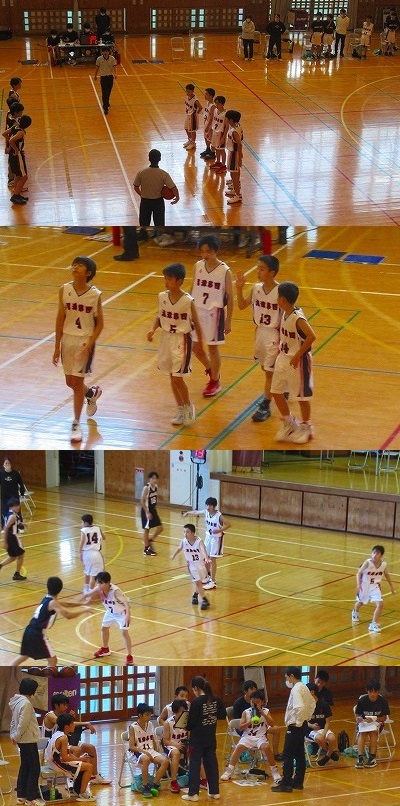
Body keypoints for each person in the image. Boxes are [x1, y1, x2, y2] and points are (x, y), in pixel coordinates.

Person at [52, 256, 104, 444]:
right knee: (71, 382)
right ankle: (91, 394)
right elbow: (60, 318)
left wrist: (90, 344)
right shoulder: (64, 289)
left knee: (77, 382)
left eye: (80, 265)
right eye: (74, 264)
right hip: (67, 339)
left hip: (84, 342)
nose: (75, 267)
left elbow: (100, 324)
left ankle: (76, 423)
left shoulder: (95, 294)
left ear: (88, 273)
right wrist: (56, 346)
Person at [147, 263, 203, 426]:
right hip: (166, 339)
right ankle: (180, 408)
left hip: (182, 340)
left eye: (169, 279)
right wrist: (152, 329)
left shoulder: (188, 301)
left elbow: (197, 323)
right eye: (165, 278)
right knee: (172, 376)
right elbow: (159, 316)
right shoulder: (162, 297)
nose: (166, 282)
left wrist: (199, 343)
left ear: (179, 281)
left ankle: (188, 406)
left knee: (178, 378)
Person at [236, 254, 281, 422]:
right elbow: (242, 305)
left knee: (269, 372)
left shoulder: (281, 291)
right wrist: (239, 289)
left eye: (262, 269)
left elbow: (288, 315)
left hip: (275, 334)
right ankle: (283, 384)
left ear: (272, 272)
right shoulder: (256, 289)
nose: (258, 272)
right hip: (260, 333)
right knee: (265, 369)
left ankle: (266, 405)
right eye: (258, 269)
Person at [270, 281, 316, 443]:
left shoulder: (297, 318)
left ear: (282, 299)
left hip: (298, 361)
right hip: (283, 358)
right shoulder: (285, 313)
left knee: (302, 397)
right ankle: (289, 423)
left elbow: (312, 336)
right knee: (276, 391)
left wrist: (297, 355)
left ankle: (307, 427)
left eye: (278, 297)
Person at [12, 576, 92, 666]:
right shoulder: (53, 602)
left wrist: (82, 603)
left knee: (23, 656)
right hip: (38, 633)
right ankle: (48, 676)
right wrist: (84, 610)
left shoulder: (47, 599)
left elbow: (66, 604)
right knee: (53, 661)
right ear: (60, 589)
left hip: (29, 630)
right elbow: (68, 615)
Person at [189, 234, 233, 396]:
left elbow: (231, 298)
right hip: (197, 310)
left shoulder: (224, 271)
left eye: (208, 251)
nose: (205, 255)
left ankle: (215, 381)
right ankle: (211, 370)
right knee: (195, 347)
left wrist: (228, 321)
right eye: (202, 251)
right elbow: (192, 288)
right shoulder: (198, 266)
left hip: (214, 313)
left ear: (215, 251)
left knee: (212, 349)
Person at [42, 694, 111, 785]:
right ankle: (72, 777)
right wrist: (85, 723)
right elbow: (63, 722)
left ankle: (95, 776)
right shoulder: (49, 716)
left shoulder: (64, 716)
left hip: (65, 741)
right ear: (56, 705)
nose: (66, 707)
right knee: (77, 750)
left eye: (67, 704)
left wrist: (71, 719)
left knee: (91, 748)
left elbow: (70, 726)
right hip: (54, 746)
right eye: (64, 704)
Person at [221, 689, 282, 783]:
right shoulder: (246, 712)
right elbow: (240, 727)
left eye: (257, 702)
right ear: (250, 701)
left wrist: (263, 714)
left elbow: (272, 724)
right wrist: (249, 722)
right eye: (253, 702)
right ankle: (228, 771)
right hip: (248, 737)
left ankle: (275, 772)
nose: (255, 704)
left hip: (261, 737)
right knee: (238, 747)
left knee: (266, 748)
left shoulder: (266, 711)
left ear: (262, 702)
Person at [270, 666, 315, 793]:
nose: (286, 680)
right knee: (299, 754)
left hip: (295, 726)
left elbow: (299, 707)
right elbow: (312, 703)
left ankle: (286, 783)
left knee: (288, 755)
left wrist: (299, 722)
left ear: (291, 676)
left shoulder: (296, 689)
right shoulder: (304, 687)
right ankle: (298, 782)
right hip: (302, 725)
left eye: (286, 678)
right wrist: (306, 718)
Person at [182, 675, 226, 801]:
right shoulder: (215, 699)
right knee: (212, 764)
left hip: (197, 739)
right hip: (210, 736)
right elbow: (222, 715)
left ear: (196, 688)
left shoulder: (196, 702)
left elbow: (190, 724)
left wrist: (185, 725)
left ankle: (193, 794)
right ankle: (214, 791)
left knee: (195, 764)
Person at [83, 570, 133, 662]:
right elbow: (87, 595)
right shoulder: (99, 588)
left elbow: (126, 603)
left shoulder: (116, 591)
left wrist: (128, 616)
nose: (98, 585)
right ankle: (105, 649)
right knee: (104, 628)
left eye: (100, 583)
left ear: (107, 583)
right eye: (98, 583)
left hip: (122, 613)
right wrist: (79, 602)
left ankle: (129, 656)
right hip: (110, 612)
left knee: (124, 632)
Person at [182, 497, 231, 590]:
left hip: (217, 538)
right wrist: (188, 513)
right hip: (208, 536)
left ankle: (213, 581)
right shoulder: (206, 512)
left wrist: (219, 530)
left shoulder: (219, 516)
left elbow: (229, 524)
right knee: (206, 557)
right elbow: (196, 512)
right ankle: (207, 577)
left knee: (212, 559)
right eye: (207, 505)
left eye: (210, 505)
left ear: (214, 506)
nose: (208, 507)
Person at [45, 713, 95, 801]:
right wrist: (81, 759)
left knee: (85, 763)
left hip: (52, 762)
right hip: (56, 764)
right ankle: (83, 794)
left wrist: (80, 760)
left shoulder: (58, 733)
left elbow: (66, 754)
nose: (74, 725)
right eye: (72, 724)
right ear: (66, 726)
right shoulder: (63, 738)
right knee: (89, 766)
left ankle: (76, 790)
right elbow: (65, 758)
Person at [9, 677, 42, 806]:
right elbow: (22, 723)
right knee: (34, 768)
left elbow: (13, 721)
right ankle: (31, 798)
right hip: (28, 740)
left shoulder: (17, 701)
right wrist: (16, 736)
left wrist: (13, 735)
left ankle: (21, 795)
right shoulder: (26, 703)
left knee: (25, 766)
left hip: (23, 740)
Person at [128, 703, 170, 798]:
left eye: (150, 714)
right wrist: (145, 752)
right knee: (146, 759)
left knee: (165, 761)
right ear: (140, 715)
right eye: (147, 714)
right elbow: (131, 747)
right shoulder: (133, 727)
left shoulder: (150, 724)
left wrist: (155, 751)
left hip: (150, 750)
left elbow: (153, 740)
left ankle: (153, 784)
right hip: (138, 751)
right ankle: (144, 786)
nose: (150, 716)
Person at [352, 544, 395, 632]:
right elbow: (359, 573)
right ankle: (355, 611)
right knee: (360, 602)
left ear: (381, 555)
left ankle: (373, 624)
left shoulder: (383, 564)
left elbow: (387, 575)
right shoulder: (367, 563)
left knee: (380, 604)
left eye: (377, 553)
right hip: (364, 585)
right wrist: (358, 585)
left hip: (375, 586)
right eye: (374, 552)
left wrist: (391, 586)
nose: (375, 555)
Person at [133, 149, 179, 226]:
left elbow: (136, 187)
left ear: (149, 158)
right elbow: (174, 188)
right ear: (160, 159)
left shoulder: (141, 172)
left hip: (145, 202)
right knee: (160, 226)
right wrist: (177, 197)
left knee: (144, 225)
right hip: (158, 203)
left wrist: (141, 194)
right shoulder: (164, 174)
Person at [171, 524, 210, 610]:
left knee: (200, 582)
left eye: (187, 532)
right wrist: (174, 555)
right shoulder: (184, 541)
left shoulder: (199, 541)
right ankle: (204, 600)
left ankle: (195, 595)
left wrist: (206, 557)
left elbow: (203, 549)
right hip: (191, 565)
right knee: (198, 583)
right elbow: (179, 548)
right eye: (184, 532)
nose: (185, 534)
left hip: (201, 564)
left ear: (193, 533)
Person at [354, 680, 390, 768]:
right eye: (371, 692)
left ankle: (372, 758)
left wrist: (374, 719)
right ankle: (360, 758)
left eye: (375, 692)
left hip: (377, 723)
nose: (373, 694)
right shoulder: (362, 700)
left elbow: (384, 718)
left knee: (373, 732)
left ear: (378, 692)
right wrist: (360, 719)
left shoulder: (383, 701)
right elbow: (358, 714)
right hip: (364, 724)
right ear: (367, 691)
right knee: (362, 733)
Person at [305, 683, 339, 766]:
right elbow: (303, 721)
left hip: (323, 729)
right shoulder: (305, 705)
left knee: (332, 738)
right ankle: (330, 753)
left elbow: (327, 722)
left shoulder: (323, 704)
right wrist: (311, 726)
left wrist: (324, 733)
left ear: (312, 692)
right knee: (320, 738)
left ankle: (327, 756)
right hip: (311, 730)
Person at [163, 699, 189, 793]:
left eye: (184, 711)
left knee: (195, 750)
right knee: (176, 753)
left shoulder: (187, 721)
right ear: (175, 712)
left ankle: (203, 779)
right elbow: (165, 741)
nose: (183, 714)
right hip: (171, 744)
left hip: (183, 743)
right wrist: (176, 745)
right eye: (180, 711)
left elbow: (190, 736)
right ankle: (173, 781)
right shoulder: (168, 723)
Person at [5, 113, 32, 205]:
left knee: (17, 175)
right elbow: (11, 140)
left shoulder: (14, 127)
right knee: (24, 177)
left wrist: (11, 148)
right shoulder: (21, 132)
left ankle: (17, 193)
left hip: (12, 155)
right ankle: (15, 195)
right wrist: (16, 149)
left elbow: (4, 134)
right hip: (18, 155)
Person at [0, 498, 26, 579]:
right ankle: (17, 574)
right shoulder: (13, 516)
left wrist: (21, 523)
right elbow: (6, 528)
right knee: (21, 554)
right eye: (15, 506)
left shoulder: (12, 514)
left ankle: (0, 565)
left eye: (18, 505)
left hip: (11, 537)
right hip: (12, 537)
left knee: (13, 556)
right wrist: (5, 542)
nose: (17, 507)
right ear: (10, 507)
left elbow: (14, 523)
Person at [80, 513, 105, 592]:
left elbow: (82, 541)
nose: (81, 524)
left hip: (86, 553)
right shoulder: (98, 528)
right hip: (96, 553)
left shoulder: (83, 530)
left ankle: (86, 589)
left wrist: (79, 552)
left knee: (87, 572)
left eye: (82, 522)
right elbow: (104, 537)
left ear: (86, 523)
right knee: (93, 576)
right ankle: (90, 593)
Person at [140, 471, 164, 556]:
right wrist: (147, 512)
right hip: (147, 510)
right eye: (153, 478)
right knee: (146, 529)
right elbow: (142, 500)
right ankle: (146, 549)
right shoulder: (147, 488)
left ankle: (150, 540)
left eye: (156, 478)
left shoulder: (156, 487)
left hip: (153, 510)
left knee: (160, 527)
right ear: (149, 479)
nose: (154, 480)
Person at [0, 457, 26, 529]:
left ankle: (21, 527)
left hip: (14, 496)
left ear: (11, 464)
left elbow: (21, 483)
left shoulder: (15, 473)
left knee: (17, 512)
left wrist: (22, 493)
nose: (7, 464)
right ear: (3, 465)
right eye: (6, 463)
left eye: (8, 463)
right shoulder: (1, 473)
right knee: (4, 512)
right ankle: (4, 527)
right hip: (5, 497)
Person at [224, 110, 243, 205]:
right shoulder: (238, 126)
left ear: (231, 120)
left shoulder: (234, 131)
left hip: (234, 154)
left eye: (227, 118)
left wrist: (239, 158)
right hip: (233, 153)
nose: (225, 119)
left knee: (234, 175)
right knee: (234, 173)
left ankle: (238, 196)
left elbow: (239, 144)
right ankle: (235, 191)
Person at [94, 46, 117, 114]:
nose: (105, 53)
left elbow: (115, 66)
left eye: (106, 51)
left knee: (109, 91)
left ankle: (107, 101)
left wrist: (115, 73)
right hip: (103, 77)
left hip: (110, 77)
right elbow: (97, 68)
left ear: (108, 52)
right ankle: (105, 107)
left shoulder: (112, 58)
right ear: (102, 52)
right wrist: (95, 75)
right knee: (104, 92)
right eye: (104, 51)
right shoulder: (99, 59)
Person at [208, 96, 228, 173]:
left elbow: (227, 127)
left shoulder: (226, 114)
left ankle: (223, 165)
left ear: (222, 104)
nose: (216, 105)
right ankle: (218, 162)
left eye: (218, 103)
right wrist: (210, 130)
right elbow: (213, 121)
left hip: (221, 133)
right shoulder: (215, 110)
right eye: (215, 103)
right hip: (215, 131)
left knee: (222, 150)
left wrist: (224, 137)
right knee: (216, 148)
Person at [183, 83, 203, 151]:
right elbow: (187, 105)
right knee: (186, 128)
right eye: (186, 91)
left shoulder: (195, 100)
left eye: (189, 91)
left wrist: (196, 113)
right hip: (188, 115)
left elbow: (200, 107)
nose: (187, 93)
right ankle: (190, 140)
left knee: (192, 131)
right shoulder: (187, 97)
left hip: (193, 116)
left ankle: (193, 143)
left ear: (192, 91)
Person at [200, 87, 216, 160]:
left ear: (211, 96)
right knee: (206, 137)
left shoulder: (213, 106)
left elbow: (212, 117)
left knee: (210, 138)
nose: (205, 95)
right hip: (206, 122)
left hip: (210, 124)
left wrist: (208, 126)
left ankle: (212, 153)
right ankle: (208, 149)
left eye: (206, 94)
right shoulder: (208, 103)